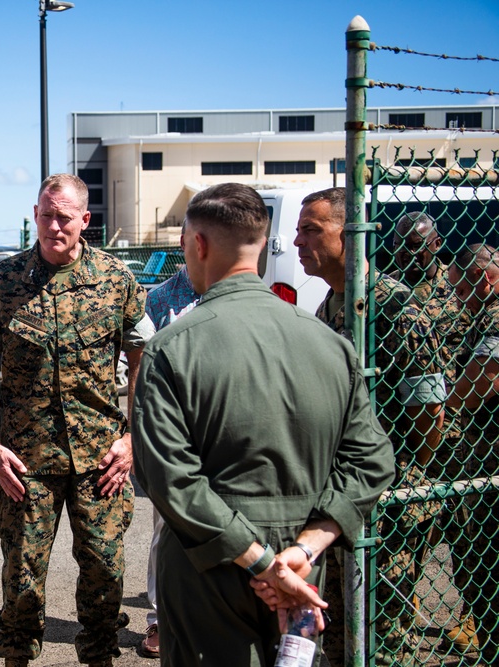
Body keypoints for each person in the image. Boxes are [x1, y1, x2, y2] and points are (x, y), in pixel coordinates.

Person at [132, 182, 395, 667]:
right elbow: (372, 461)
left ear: (199, 244)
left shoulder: (172, 347)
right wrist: (302, 550)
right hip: (301, 564)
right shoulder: (330, 344)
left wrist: (261, 563)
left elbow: (168, 479)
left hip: (205, 567)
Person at [0, 173, 154, 667]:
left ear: (84, 220)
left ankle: (100, 659)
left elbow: (142, 362)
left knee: (104, 573)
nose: (53, 226)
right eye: (45, 215)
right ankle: (16, 660)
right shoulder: (4, 282)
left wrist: (132, 438)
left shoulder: (117, 281)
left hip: (101, 459)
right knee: (21, 578)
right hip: (24, 460)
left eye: (64, 216)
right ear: (35, 215)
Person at [294, 187, 445, 665]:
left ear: (350, 234)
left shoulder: (394, 307)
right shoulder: (330, 305)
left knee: (381, 634)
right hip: (342, 495)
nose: (297, 241)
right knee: (338, 628)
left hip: (389, 496)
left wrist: (406, 476)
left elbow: (429, 411)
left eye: (311, 230)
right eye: (298, 230)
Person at [391, 211, 480, 653]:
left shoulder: (460, 286)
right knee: (411, 540)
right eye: (402, 244)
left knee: (466, 534)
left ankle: (472, 616)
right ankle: (400, 622)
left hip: (459, 430)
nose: (408, 253)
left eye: (417, 244)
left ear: (436, 242)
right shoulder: (392, 293)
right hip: (412, 432)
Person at [137, 261, 199, 660]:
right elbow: (140, 365)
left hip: (221, 425)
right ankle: (160, 617)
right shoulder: (160, 299)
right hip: (173, 427)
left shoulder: (231, 291)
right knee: (167, 527)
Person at [446, 244, 499, 664]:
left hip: (491, 451)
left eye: (460, 289)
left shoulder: (495, 313)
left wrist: (440, 403)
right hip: (483, 449)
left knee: (480, 548)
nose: (456, 297)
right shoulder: (481, 310)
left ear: (483, 280)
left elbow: (482, 381)